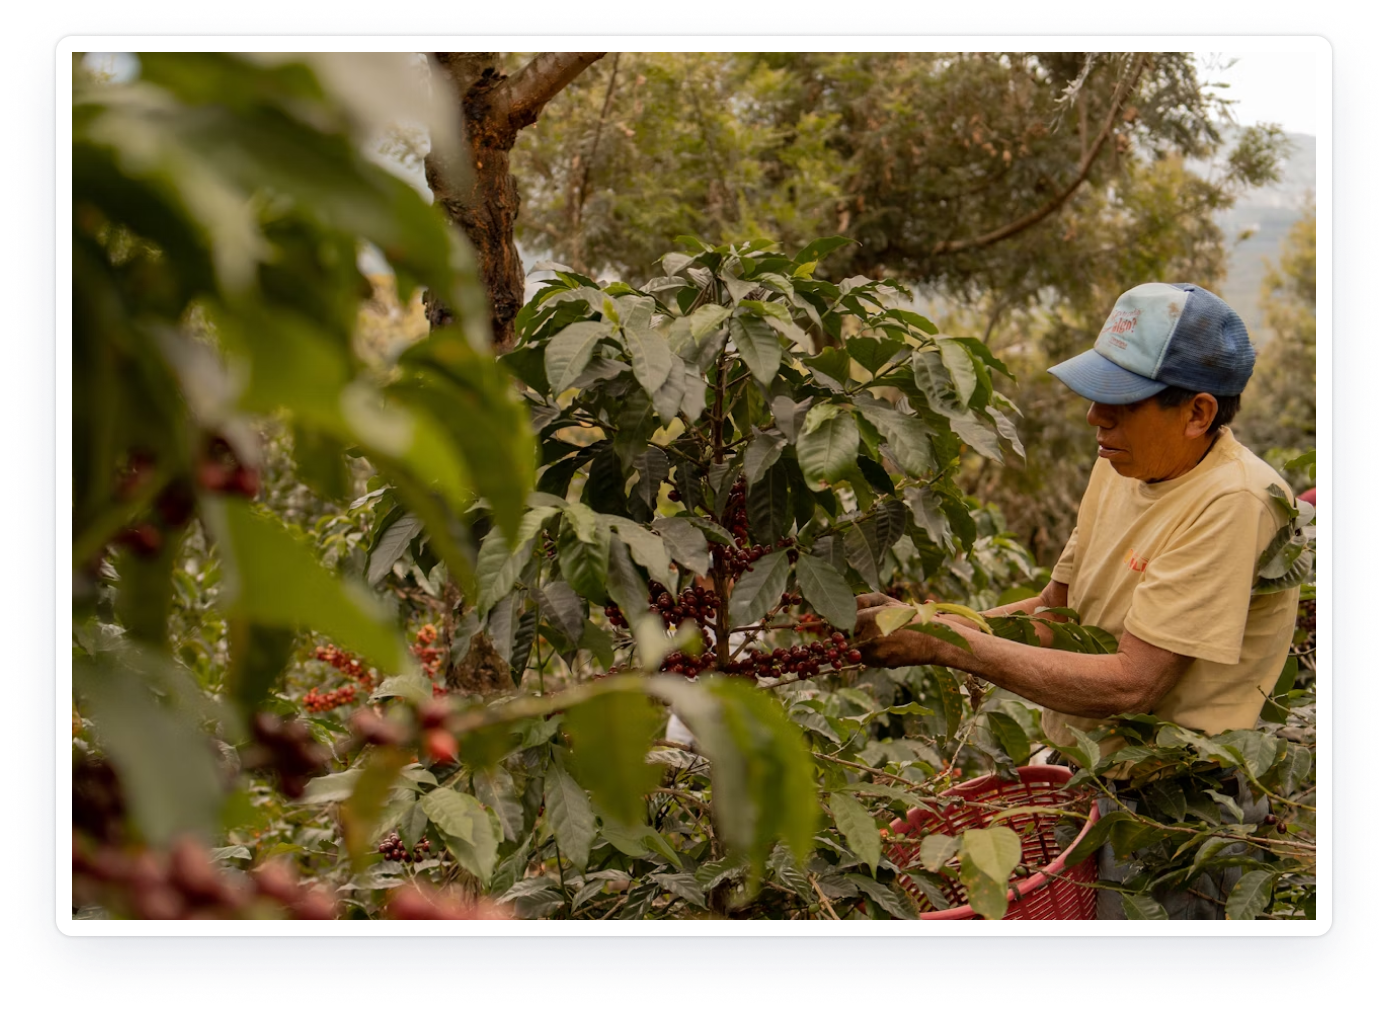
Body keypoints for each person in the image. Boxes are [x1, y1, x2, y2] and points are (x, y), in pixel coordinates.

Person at [855, 282, 1301, 755]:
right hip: (1090, 771)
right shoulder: (1121, 462)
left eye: (1122, 400)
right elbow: (1054, 613)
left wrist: (941, 643)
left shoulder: (1234, 501)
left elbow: (1132, 685)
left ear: (1198, 413)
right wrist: (923, 620)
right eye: (1096, 392)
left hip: (1176, 803)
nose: (1094, 416)